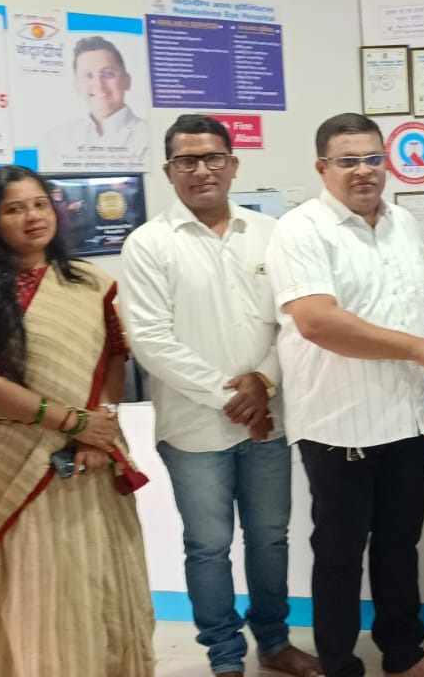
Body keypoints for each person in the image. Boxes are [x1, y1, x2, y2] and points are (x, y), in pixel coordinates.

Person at [269, 112, 424, 677]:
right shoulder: (300, 230)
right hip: (340, 422)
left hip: (408, 416)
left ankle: (404, 654)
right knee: (339, 554)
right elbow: (318, 321)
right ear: (322, 168)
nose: (364, 171)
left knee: (399, 546)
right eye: (348, 160)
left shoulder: (403, 222)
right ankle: (339, 664)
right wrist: (418, 349)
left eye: (373, 159)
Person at [122, 114, 320, 677]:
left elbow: (292, 321)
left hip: (269, 421)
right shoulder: (148, 244)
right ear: (169, 172)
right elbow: (150, 339)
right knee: (208, 546)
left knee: (270, 539)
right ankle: (225, 656)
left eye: (213, 158)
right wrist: (232, 397)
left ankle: (274, 643)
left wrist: (265, 382)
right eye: (186, 161)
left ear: (233, 165)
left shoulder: (272, 234)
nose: (201, 170)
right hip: (193, 429)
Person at [0, 164, 155, 677]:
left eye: (40, 204)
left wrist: (99, 427)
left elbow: (114, 356)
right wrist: (72, 423)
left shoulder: (90, 282)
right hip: (15, 455)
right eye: (14, 209)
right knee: (32, 574)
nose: (32, 217)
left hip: (93, 453)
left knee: (101, 566)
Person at [42, 35, 150, 169]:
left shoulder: (149, 136)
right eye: (88, 75)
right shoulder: (56, 140)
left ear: (127, 80)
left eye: (108, 74)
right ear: (77, 85)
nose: (98, 85)